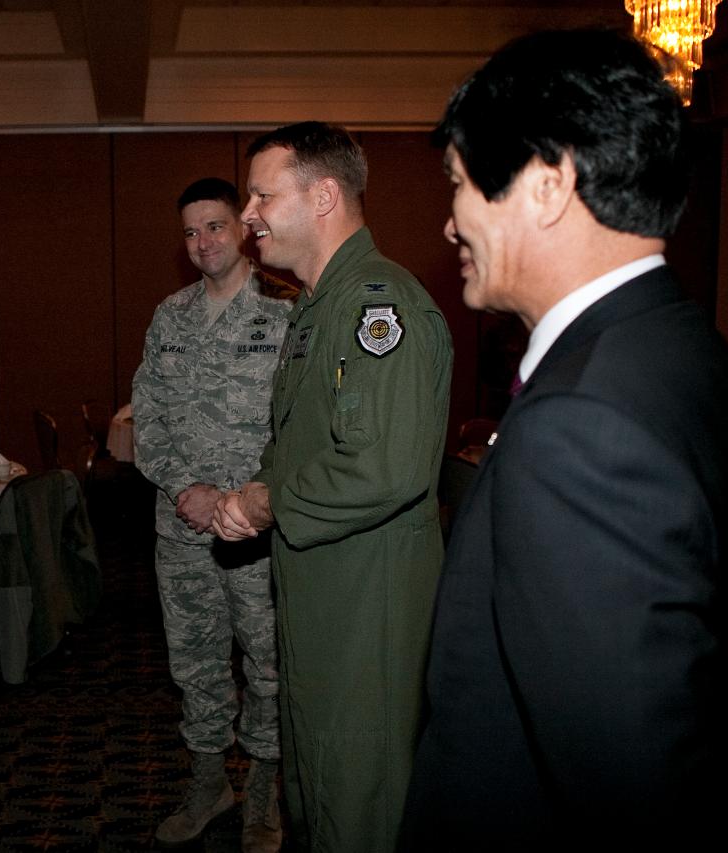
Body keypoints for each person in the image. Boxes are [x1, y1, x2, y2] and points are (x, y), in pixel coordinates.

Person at [400, 29, 728, 851]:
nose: (450, 224)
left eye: (456, 184)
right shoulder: (690, 351)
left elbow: (634, 789)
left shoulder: (580, 428)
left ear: (549, 184)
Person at [213, 122, 453, 852]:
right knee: (316, 796)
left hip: (365, 611)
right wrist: (261, 483)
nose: (247, 213)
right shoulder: (318, 309)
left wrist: (264, 501)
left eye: (262, 193)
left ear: (323, 196)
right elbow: (302, 443)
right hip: (321, 599)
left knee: (361, 806)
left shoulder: (381, 307)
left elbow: (386, 466)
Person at [131, 178, 295, 852]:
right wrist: (182, 489)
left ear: (244, 228)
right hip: (183, 528)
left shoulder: (286, 310)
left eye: (216, 227)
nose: (203, 243)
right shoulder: (169, 316)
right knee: (194, 662)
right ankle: (208, 782)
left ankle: (263, 787)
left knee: (267, 661)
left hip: (255, 532)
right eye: (192, 231)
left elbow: (299, 424)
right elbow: (149, 418)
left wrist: (245, 497)